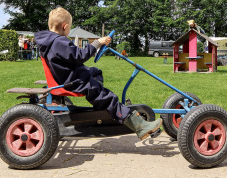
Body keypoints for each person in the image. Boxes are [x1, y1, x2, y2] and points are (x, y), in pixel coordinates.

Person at [34, 7, 162, 140]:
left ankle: (97, 97)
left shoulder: (50, 41)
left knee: (95, 72)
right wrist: (97, 43)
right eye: (70, 28)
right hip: (74, 81)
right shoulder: (59, 41)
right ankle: (140, 127)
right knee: (109, 97)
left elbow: (71, 59)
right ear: (65, 26)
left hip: (70, 76)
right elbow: (80, 56)